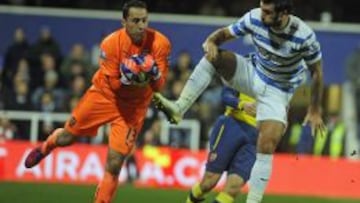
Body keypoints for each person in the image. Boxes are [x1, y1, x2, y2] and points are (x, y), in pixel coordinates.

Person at [153, 0, 325, 202]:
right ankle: (179, 107)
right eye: (262, 9)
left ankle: (254, 200)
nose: (263, 15)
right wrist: (211, 41)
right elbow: (225, 34)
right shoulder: (254, 17)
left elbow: (317, 73)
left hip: (278, 90)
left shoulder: (304, 36)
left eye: (268, 12)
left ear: (284, 13)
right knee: (214, 56)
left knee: (267, 142)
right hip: (254, 75)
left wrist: (314, 110)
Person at [24, 1, 171, 203]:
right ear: (124, 22)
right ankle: (46, 147)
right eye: (135, 20)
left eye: (144, 20)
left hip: (133, 108)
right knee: (67, 137)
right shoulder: (110, 44)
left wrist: (153, 73)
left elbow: (159, 87)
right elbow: (114, 85)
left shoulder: (160, 43)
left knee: (115, 161)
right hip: (104, 97)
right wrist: (129, 76)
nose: (141, 25)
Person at [180, 86, 258, 203]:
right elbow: (225, 95)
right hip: (232, 125)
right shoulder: (245, 70)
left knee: (234, 186)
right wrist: (241, 104)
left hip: (255, 137)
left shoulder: (280, 78)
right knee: (208, 182)